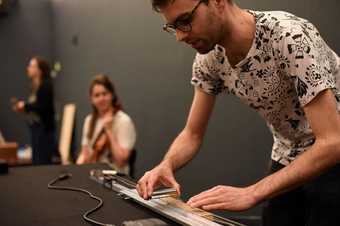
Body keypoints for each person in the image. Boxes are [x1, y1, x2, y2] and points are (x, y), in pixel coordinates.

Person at [136, 1, 340, 225]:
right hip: (288, 153)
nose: (180, 36)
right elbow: (192, 133)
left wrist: (252, 192)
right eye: (174, 26)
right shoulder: (209, 59)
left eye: (185, 21)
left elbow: (332, 142)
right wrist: (167, 164)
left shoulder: (290, 37)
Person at [76, 74, 137, 175]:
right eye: (97, 95)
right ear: (91, 99)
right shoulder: (89, 120)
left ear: (112, 95)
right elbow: (84, 152)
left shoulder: (124, 121)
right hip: (93, 174)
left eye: (105, 94)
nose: (101, 98)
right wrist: (76, 169)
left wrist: (109, 130)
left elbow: (121, 162)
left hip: (116, 178)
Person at [13, 56, 56, 165]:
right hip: (38, 130)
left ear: (39, 69)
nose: (28, 68)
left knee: (42, 163)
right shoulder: (37, 86)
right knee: (37, 161)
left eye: (31, 66)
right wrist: (24, 108)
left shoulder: (45, 85)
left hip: (44, 131)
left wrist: (25, 106)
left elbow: (42, 107)